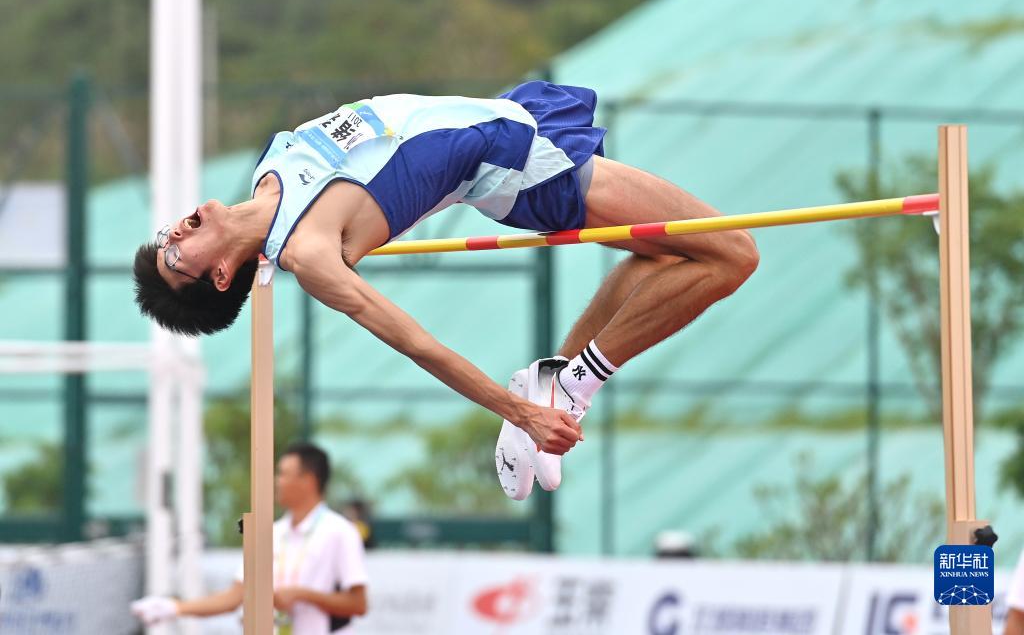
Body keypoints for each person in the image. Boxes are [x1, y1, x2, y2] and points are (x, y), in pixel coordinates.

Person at [133, 81, 759, 498]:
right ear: (219, 276)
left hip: (506, 120)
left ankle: (559, 375)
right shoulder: (308, 252)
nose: (174, 233)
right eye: (174, 257)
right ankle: (573, 383)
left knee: (673, 256)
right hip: (522, 164)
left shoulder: (273, 164)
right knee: (733, 255)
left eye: (164, 238)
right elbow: (418, 344)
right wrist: (520, 415)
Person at [131, 442, 368, 634]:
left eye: (283, 474)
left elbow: (358, 604)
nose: (277, 481)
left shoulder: (340, 531)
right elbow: (235, 596)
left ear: (309, 480)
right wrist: (173, 607)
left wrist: (303, 594)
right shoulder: (272, 532)